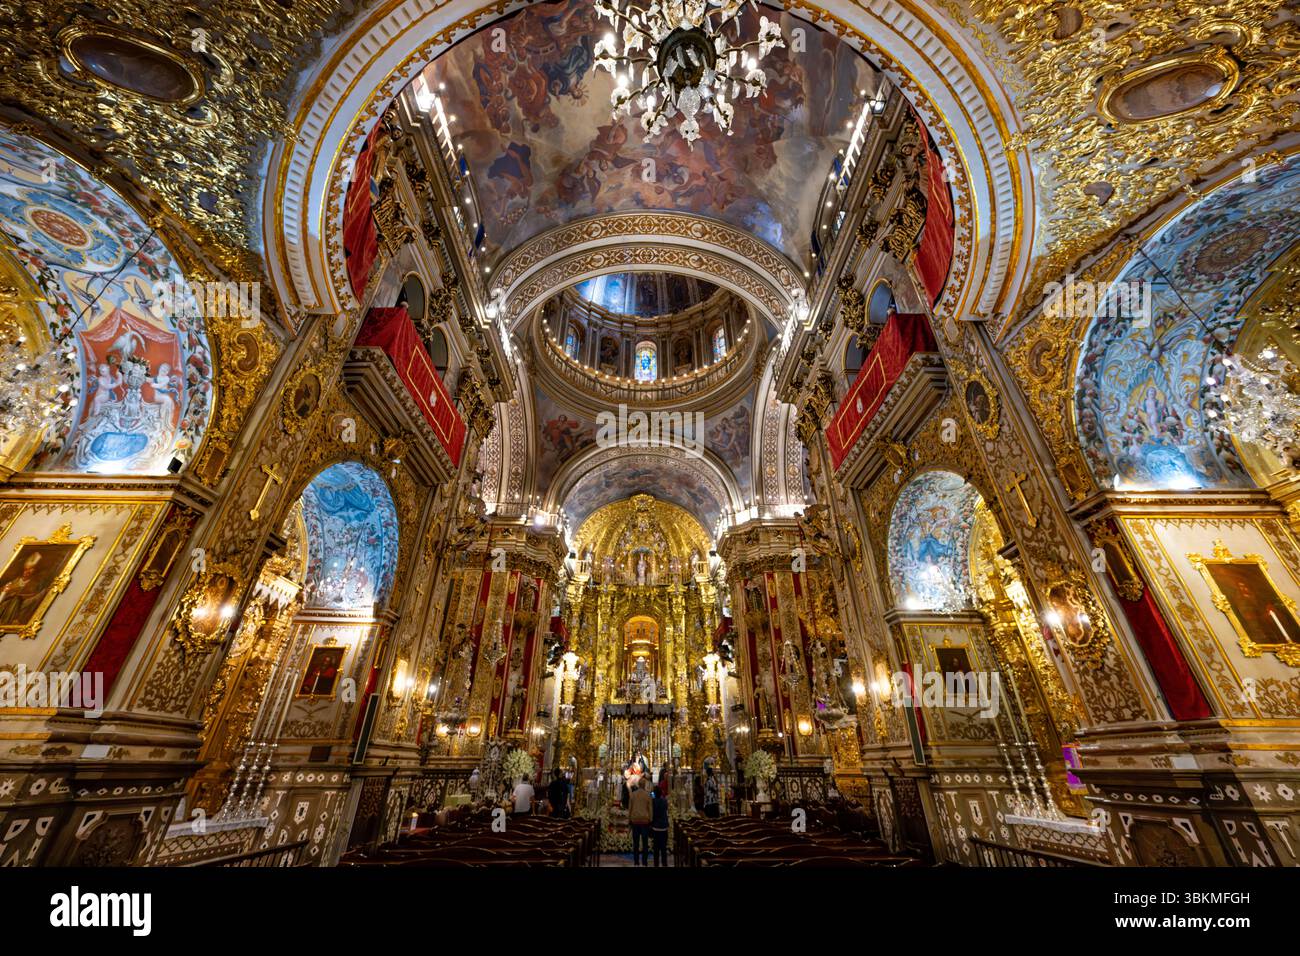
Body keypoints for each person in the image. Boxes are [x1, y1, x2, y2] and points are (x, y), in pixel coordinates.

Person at [628, 779, 654, 866]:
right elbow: (650, 809)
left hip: (635, 821)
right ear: (644, 785)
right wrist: (650, 820)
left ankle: (636, 862)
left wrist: (629, 820)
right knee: (645, 843)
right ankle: (644, 862)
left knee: (636, 843)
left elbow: (630, 808)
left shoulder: (633, 794)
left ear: (638, 785)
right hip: (645, 821)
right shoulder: (648, 795)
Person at [650, 782, 670, 867]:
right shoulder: (664, 801)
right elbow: (666, 808)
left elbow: (652, 800)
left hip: (656, 827)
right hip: (664, 827)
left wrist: (652, 794)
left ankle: (656, 864)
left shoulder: (653, 802)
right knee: (663, 848)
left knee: (656, 849)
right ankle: (664, 863)